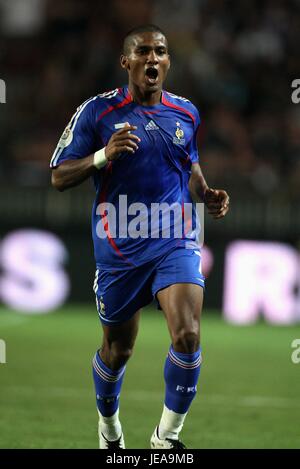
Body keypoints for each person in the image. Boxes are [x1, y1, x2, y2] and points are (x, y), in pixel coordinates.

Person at [50, 24, 229, 449]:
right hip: (120, 246)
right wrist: (102, 155)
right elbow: (58, 176)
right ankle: (109, 427)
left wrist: (205, 193)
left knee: (187, 334)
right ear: (125, 62)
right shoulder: (97, 112)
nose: (153, 58)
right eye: (143, 51)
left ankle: (166, 439)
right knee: (118, 351)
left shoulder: (186, 112)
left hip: (176, 237)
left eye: (161, 51)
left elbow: (190, 162)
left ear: (168, 61)